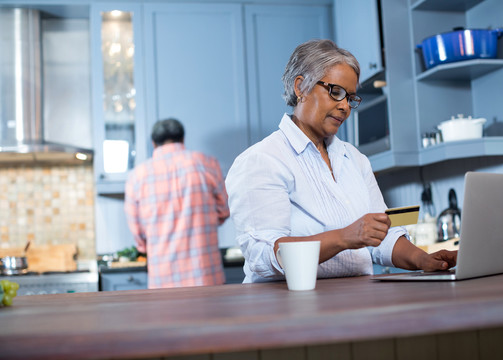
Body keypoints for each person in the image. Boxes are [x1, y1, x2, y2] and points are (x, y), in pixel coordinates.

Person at [225, 39, 457, 283]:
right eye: (336, 92)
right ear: (301, 87)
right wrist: (344, 237)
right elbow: (262, 257)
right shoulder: (262, 160)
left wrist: (424, 260)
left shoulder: (354, 159)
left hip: (356, 300)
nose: (345, 106)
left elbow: (383, 237)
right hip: (287, 306)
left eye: (351, 98)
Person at [124, 118, 230, 288]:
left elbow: (138, 234)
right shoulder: (207, 164)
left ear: (154, 143)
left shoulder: (137, 176)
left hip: (163, 280)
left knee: (166, 316)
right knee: (211, 315)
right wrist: (203, 221)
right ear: (182, 139)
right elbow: (225, 210)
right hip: (206, 276)